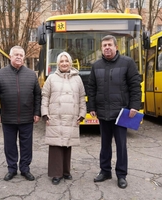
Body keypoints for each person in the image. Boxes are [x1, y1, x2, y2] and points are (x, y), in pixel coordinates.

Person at [87, 35, 141, 189]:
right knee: (105, 145)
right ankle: (105, 171)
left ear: (116, 47)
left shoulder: (127, 63)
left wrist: (134, 106)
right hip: (103, 113)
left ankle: (121, 175)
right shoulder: (96, 66)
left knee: (121, 146)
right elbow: (91, 88)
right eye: (104, 45)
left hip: (122, 113)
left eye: (110, 44)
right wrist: (91, 107)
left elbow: (135, 86)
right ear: (101, 48)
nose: (107, 47)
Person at [0, 45, 41, 181]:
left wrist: (37, 112)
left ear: (24, 57)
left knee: (26, 145)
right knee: (10, 145)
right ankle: (12, 169)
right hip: (8, 117)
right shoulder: (0, 74)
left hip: (27, 117)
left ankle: (25, 169)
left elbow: (37, 95)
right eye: (16, 54)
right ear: (10, 57)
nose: (18, 57)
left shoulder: (31, 74)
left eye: (21, 55)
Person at [41, 52, 86, 185]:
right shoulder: (51, 78)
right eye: (61, 61)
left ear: (70, 63)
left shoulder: (77, 78)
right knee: (56, 145)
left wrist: (82, 113)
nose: (64, 63)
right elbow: (45, 96)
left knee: (67, 144)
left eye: (66, 61)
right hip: (55, 116)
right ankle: (56, 173)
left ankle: (66, 172)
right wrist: (44, 113)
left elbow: (82, 97)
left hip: (72, 116)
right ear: (58, 63)